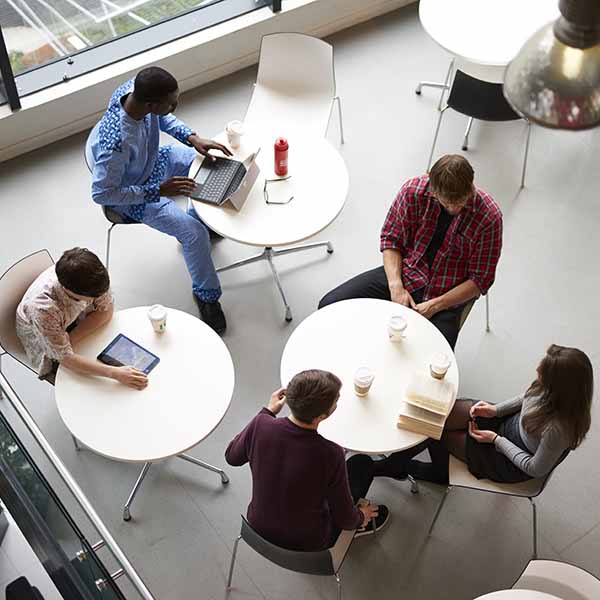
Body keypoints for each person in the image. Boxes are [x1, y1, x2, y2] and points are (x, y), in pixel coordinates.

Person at [87, 66, 231, 334]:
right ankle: (207, 296)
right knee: (194, 234)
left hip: (155, 159)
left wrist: (192, 138)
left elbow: (163, 119)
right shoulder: (115, 147)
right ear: (152, 104)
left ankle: (202, 219)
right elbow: (102, 194)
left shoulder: (134, 91)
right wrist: (159, 190)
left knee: (212, 166)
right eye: (171, 103)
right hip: (137, 195)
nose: (176, 105)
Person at [319, 155, 503, 349]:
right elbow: (392, 239)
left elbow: (480, 280)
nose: (455, 209)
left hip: (446, 296)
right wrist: (396, 286)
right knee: (329, 305)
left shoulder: (489, 218)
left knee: (434, 358)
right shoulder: (413, 191)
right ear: (432, 187)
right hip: (406, 274)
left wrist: (435, 305)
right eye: (447, 203)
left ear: (472, 184)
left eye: (461, 202)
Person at [364, 345, 593, 486]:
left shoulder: (558, 430)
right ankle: (396, 463)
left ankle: (429, 472)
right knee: (436, 415)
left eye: (542, 373)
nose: (536, 371)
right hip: (508, 424)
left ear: (558, 386)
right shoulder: (551, 390)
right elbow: (527, 397)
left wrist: (496, 440)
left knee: (437, 433)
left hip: (509, 458)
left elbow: (535, 468)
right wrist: (496, 410)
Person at [225, 369, 389, 552]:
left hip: (257, 527)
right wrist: (359, 517)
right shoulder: (330, 454)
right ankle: (354, 531)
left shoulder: (261, 424)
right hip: (309, 543)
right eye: (336, 400)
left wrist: (267, 412)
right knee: (361, 464)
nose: (338, 402)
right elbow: (345, 518)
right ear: (321, 417)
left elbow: (231, 456)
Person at [16, 248, 148, 390]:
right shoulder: (43, 309)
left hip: (70, 324)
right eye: (93, 297)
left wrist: (69, 341)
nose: (99, 297)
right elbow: (64, 358)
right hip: (41, 334)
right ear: (68, 289)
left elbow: (106, 310)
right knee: (85, 385)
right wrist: (114, 373)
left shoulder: (92, 277)